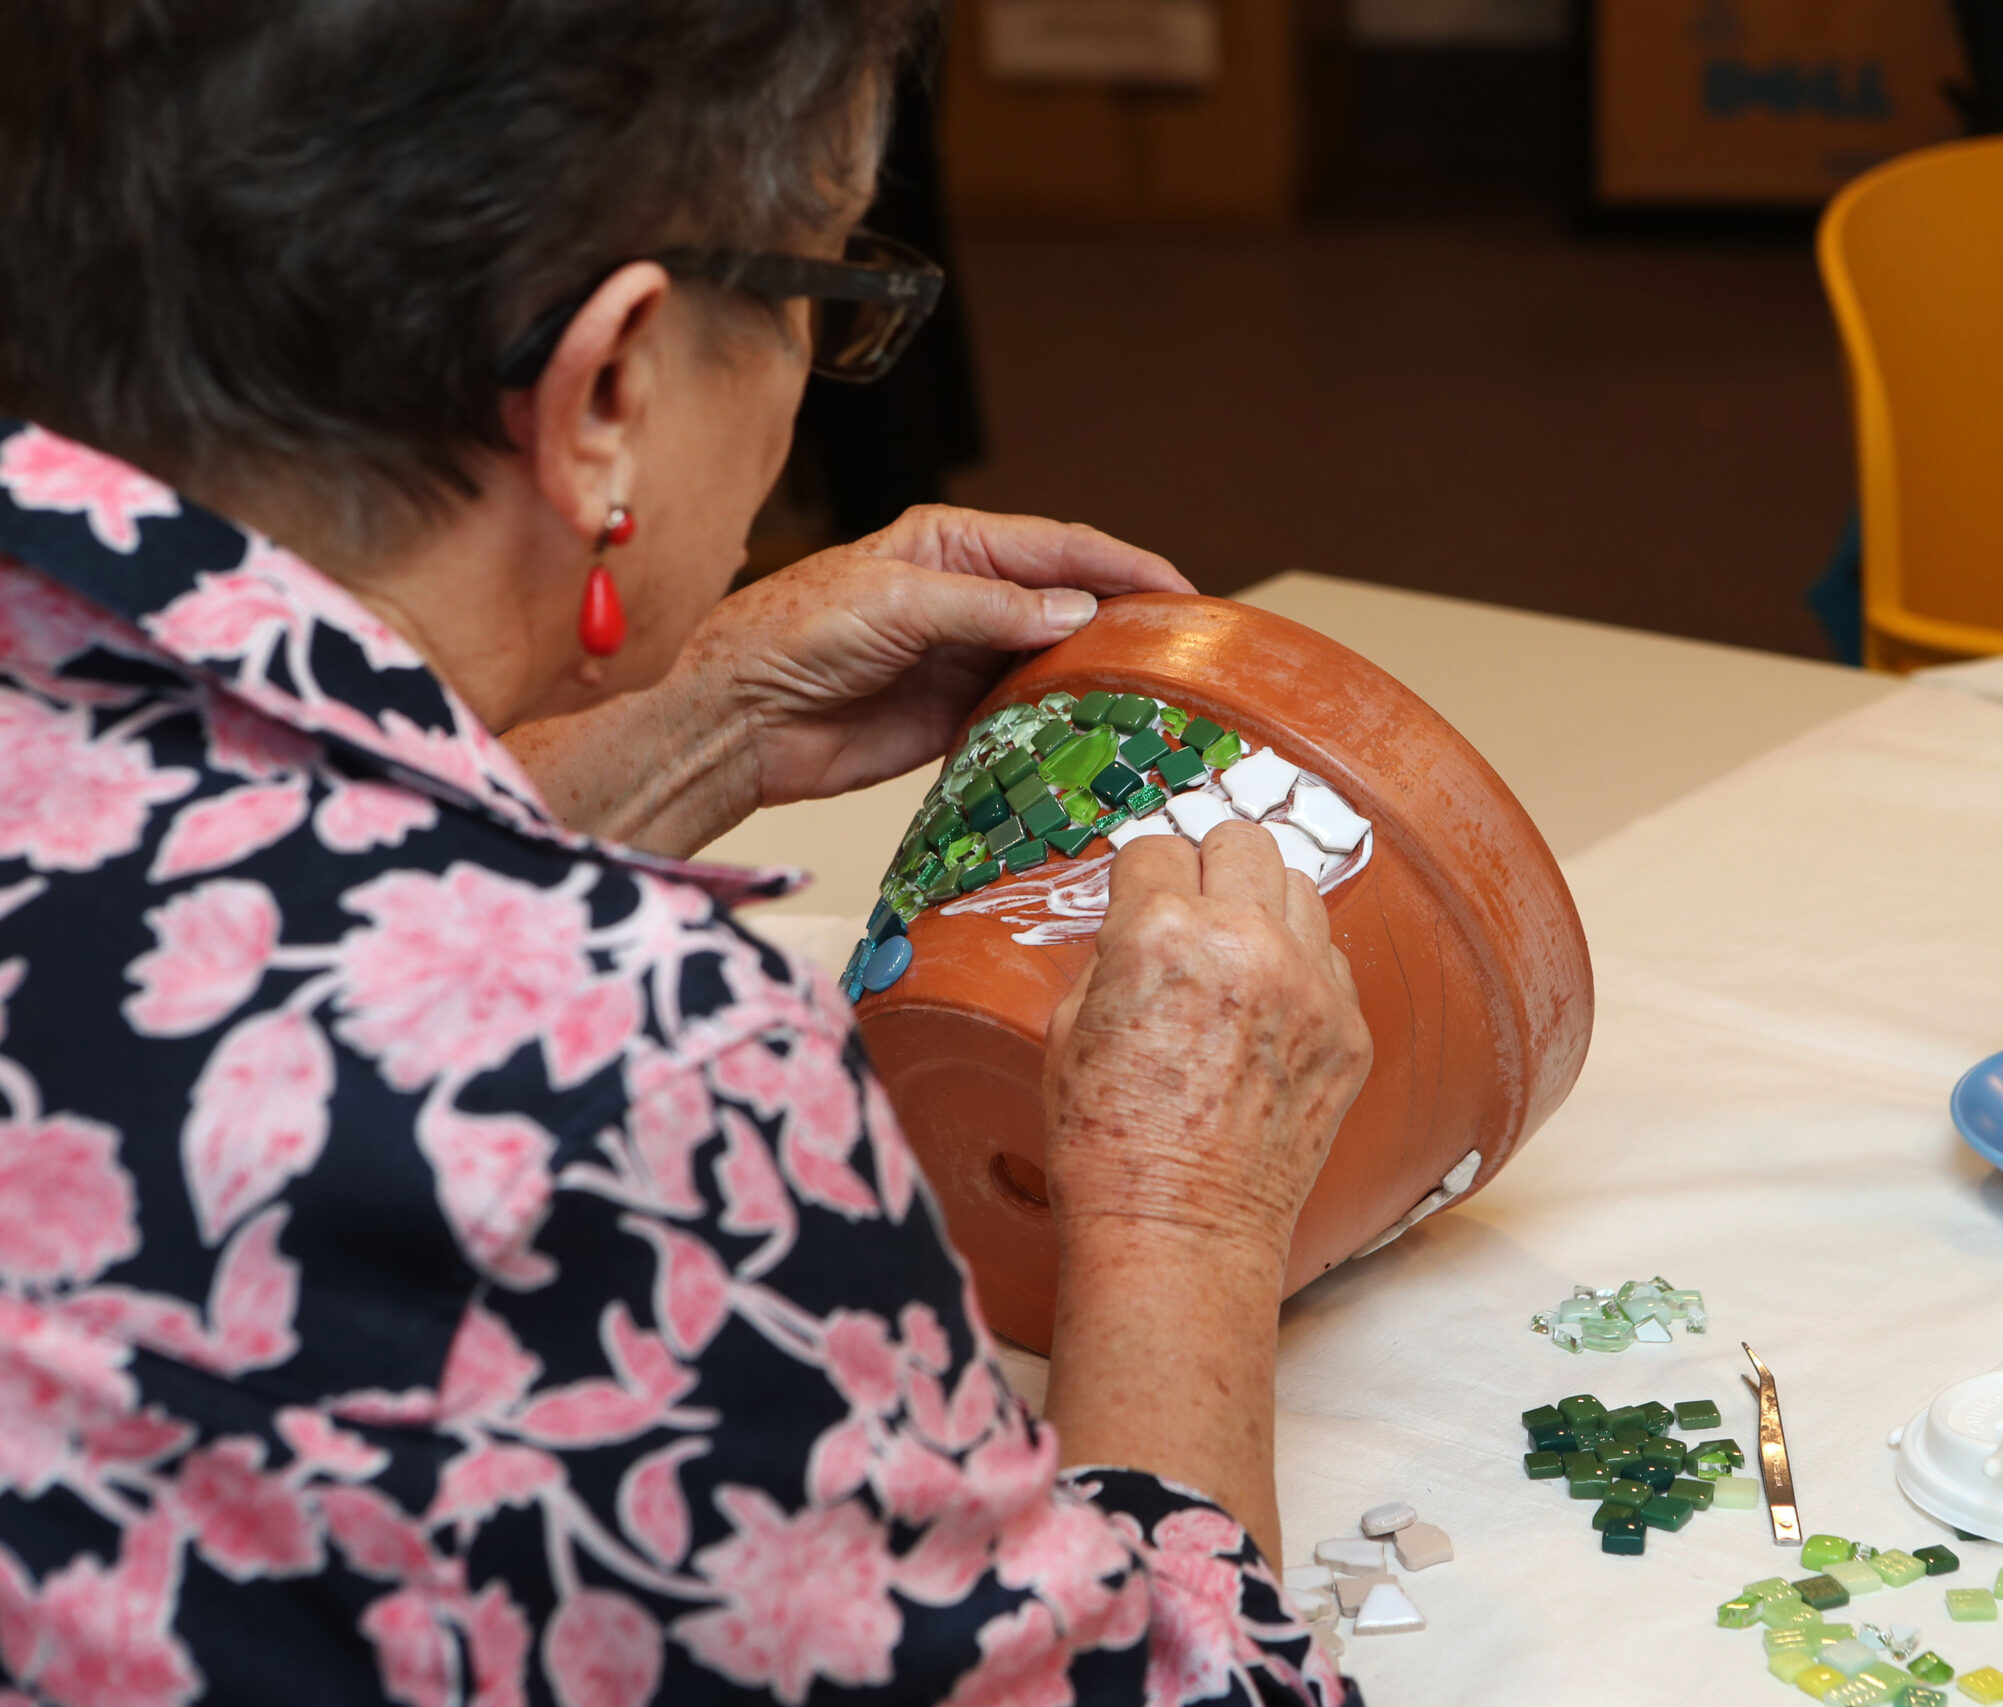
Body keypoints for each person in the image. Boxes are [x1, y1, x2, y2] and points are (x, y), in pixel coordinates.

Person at [0, 3, 1371, 1703]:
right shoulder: (627, 1077)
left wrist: (681, 721)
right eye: (825, 293)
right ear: (610, 391)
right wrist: (1185, 1218)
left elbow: (163, 909)